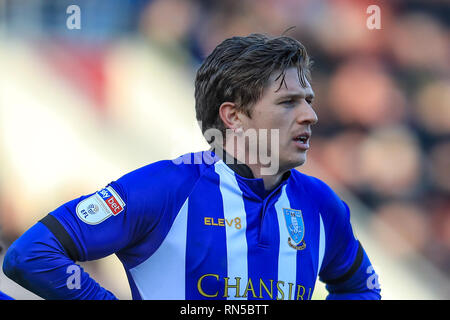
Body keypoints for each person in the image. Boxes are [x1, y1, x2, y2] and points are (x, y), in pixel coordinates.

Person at [2, 34, 381, 300]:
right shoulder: (166, 188)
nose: (310, 115)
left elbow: (360, 287)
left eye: (309, 101)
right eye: (288, 103)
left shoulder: (320, 204)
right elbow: (32, 253)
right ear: (234, 117)